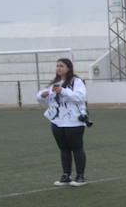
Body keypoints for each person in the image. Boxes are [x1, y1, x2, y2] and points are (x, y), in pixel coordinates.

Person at [38, 57, 88, 186]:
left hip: (74, 121)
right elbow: (43, 99)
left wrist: (63, 91)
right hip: (57, 121)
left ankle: (80, 176)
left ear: (68, 68)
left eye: (61, 66)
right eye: (57, 66)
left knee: (77, 148)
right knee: (63, 149)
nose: (58, 68)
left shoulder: (76, 81)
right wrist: (42, 96)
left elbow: (80, 97)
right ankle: (66, 175)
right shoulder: (55, 83)